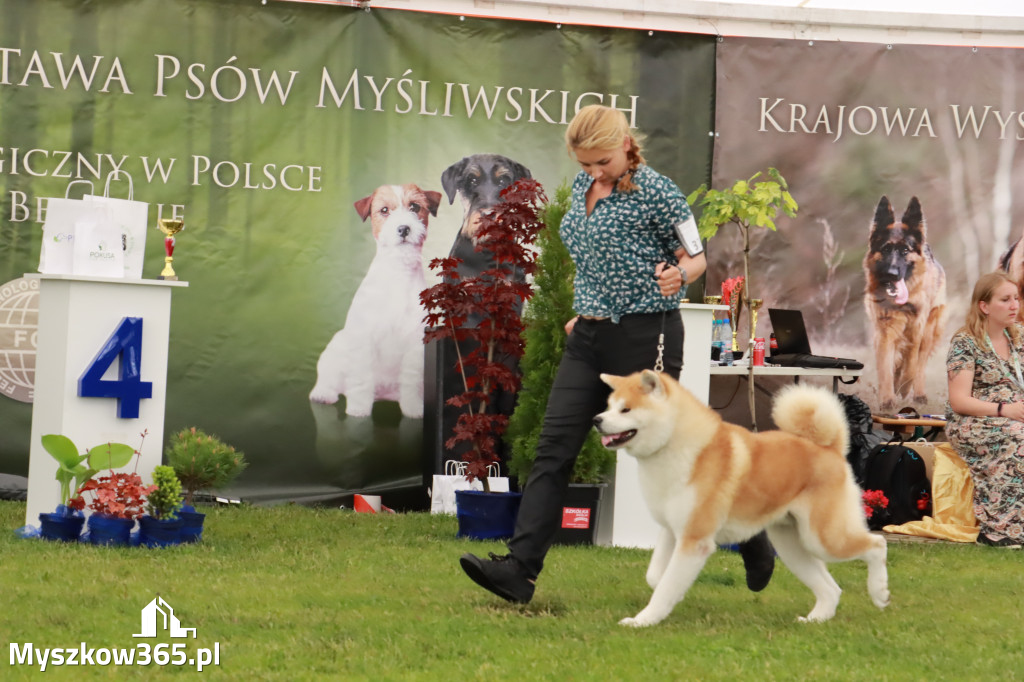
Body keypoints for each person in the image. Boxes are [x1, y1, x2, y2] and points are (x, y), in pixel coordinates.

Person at [459, 104, 776, 603]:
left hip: (646, 336)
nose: (594, 172)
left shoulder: (658, 192)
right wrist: (585, 308)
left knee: (674, 458)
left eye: (602, 161)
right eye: (585, 164)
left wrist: (680, 275)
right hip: (589, 338)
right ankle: (519, 572)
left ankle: (754, 534)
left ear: (626, 143)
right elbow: (590, 262)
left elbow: (695, 256)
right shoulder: (587, 191)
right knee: (553, 449)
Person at [945, 270, 1024, 547]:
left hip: (1015, 414)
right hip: (973, 420)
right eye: (1005, 300)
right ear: (984, 306)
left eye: (1016, 298)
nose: (1015, 305)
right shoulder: (965, 343)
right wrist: (1005, 410)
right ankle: (998, 531)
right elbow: (960, 401)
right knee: (1018, 436)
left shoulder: (1020, 339)